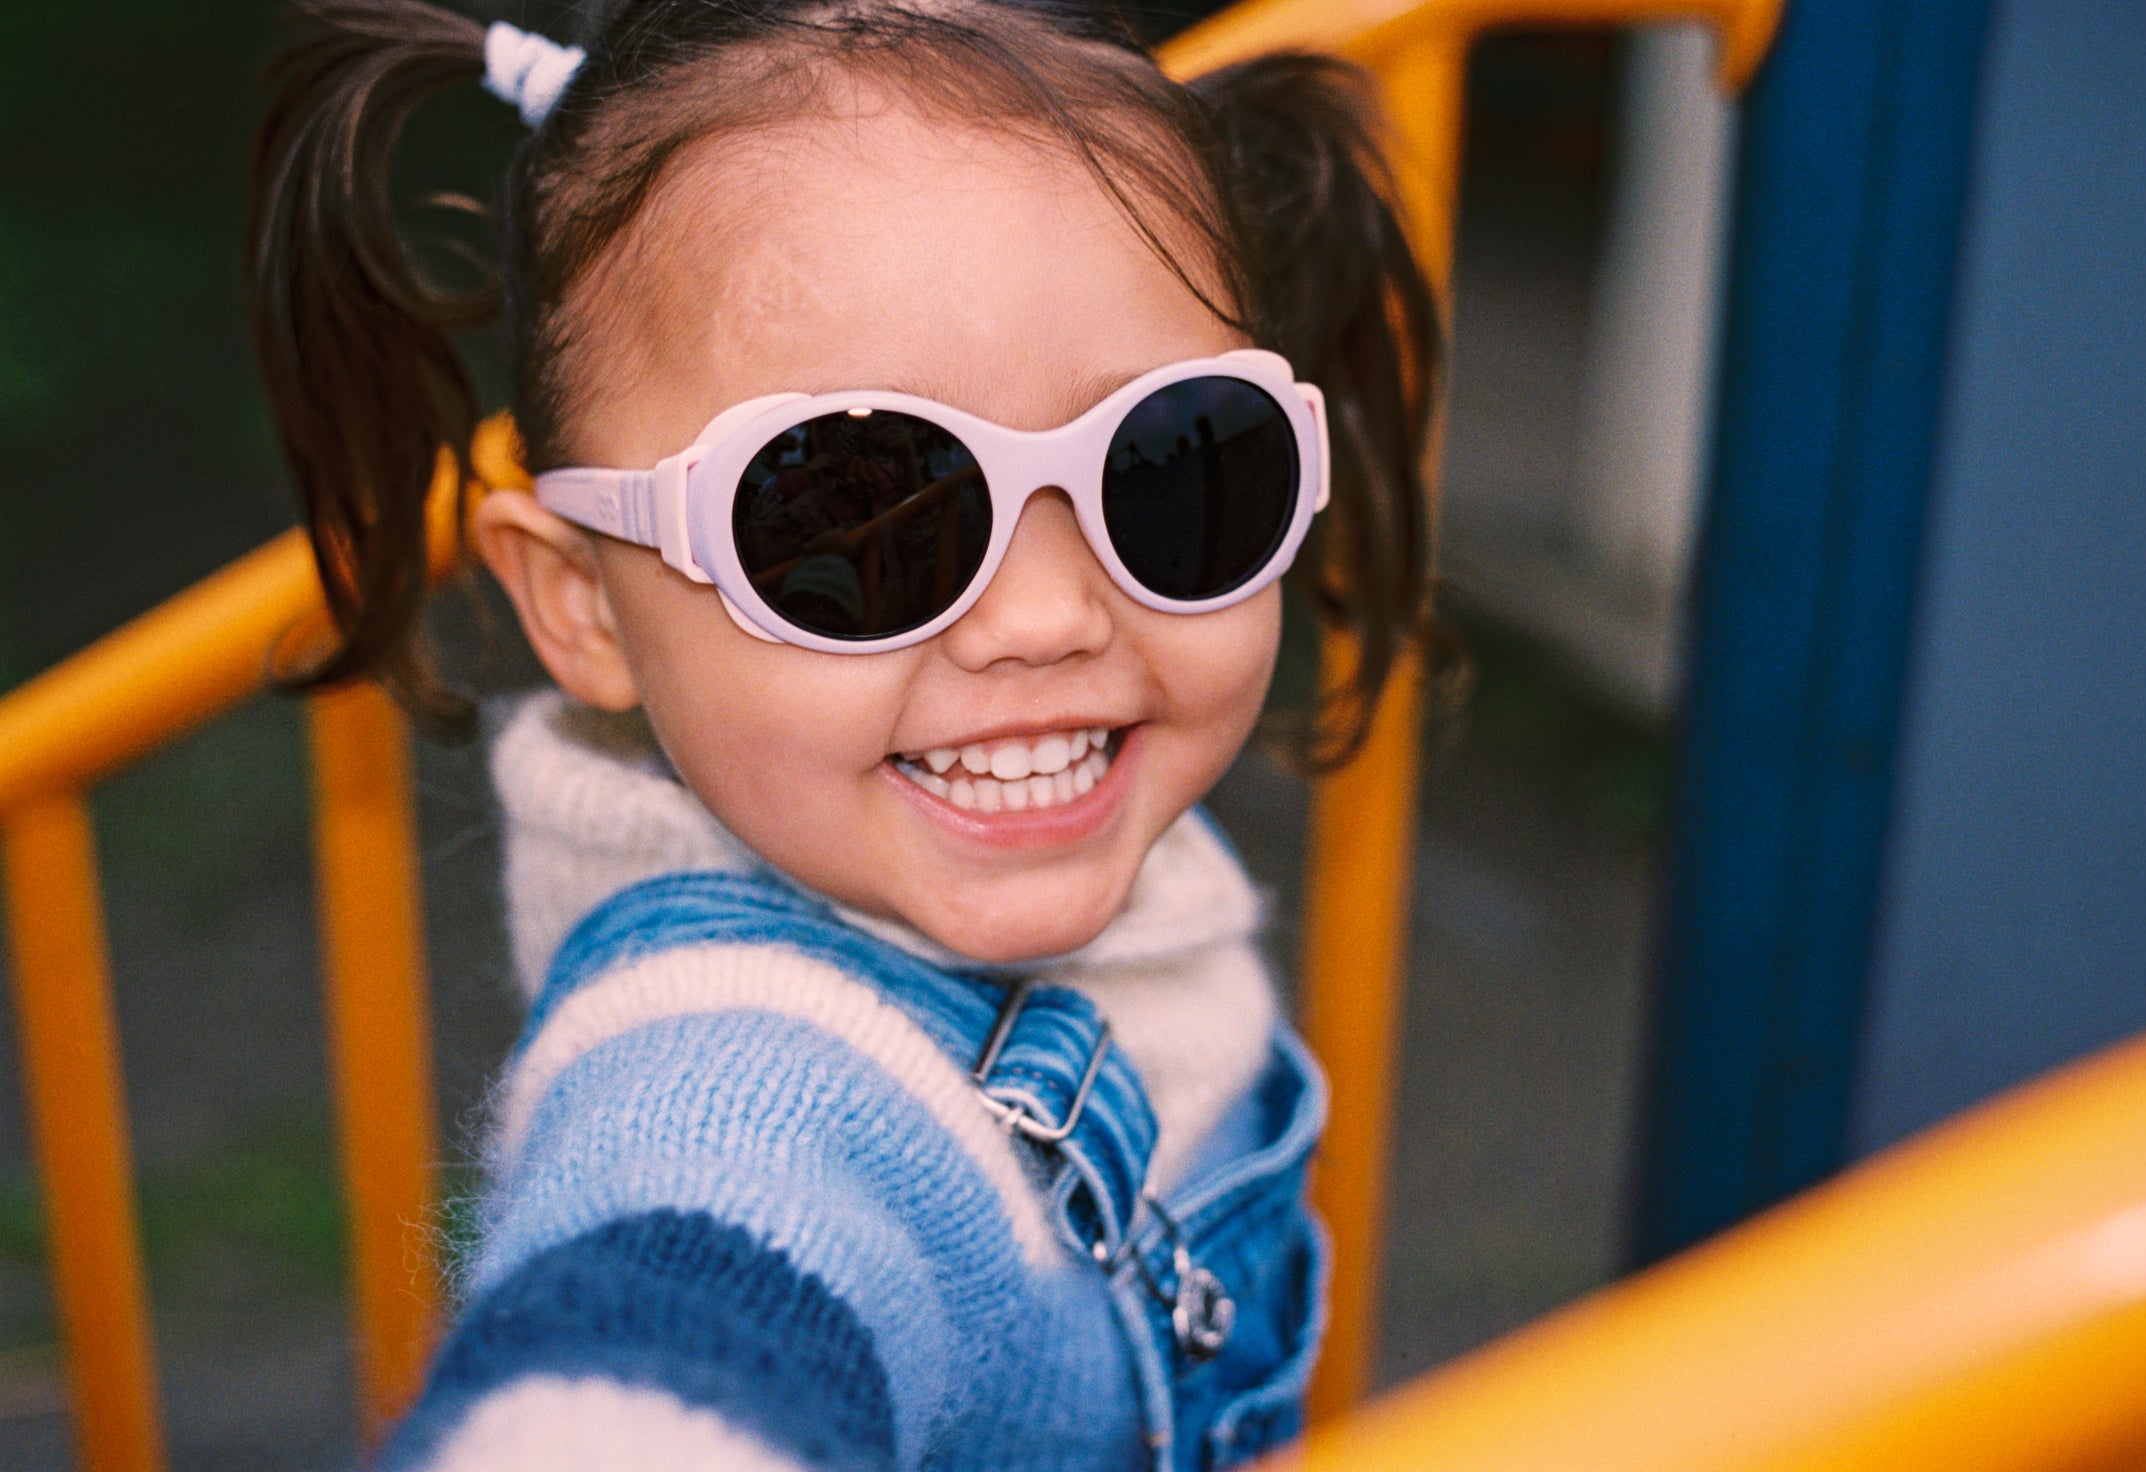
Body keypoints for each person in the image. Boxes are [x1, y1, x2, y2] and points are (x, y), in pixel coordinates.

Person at [247, 1, 1436, 1467]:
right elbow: (666, 1329)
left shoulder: (1014, 847)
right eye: (860, 515)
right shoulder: (737, 1090)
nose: (1043, 617)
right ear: (587, 607)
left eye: (1169, 466)